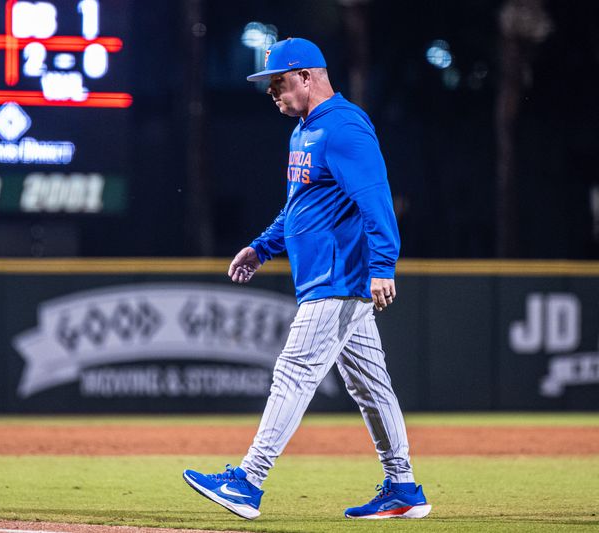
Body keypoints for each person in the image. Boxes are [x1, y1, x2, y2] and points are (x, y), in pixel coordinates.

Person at [182, 38, 431, 520]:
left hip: (339, 278)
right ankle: (402, 486)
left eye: (277, 82)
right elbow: (300, 208)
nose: (271, 92)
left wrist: (383, 266)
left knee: (293, 373)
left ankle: (247, 482)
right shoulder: (304, 131)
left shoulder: (343, 127)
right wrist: (261, 247)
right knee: (371, 387)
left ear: (306, 77)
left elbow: (376, 199)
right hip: (331, 278)